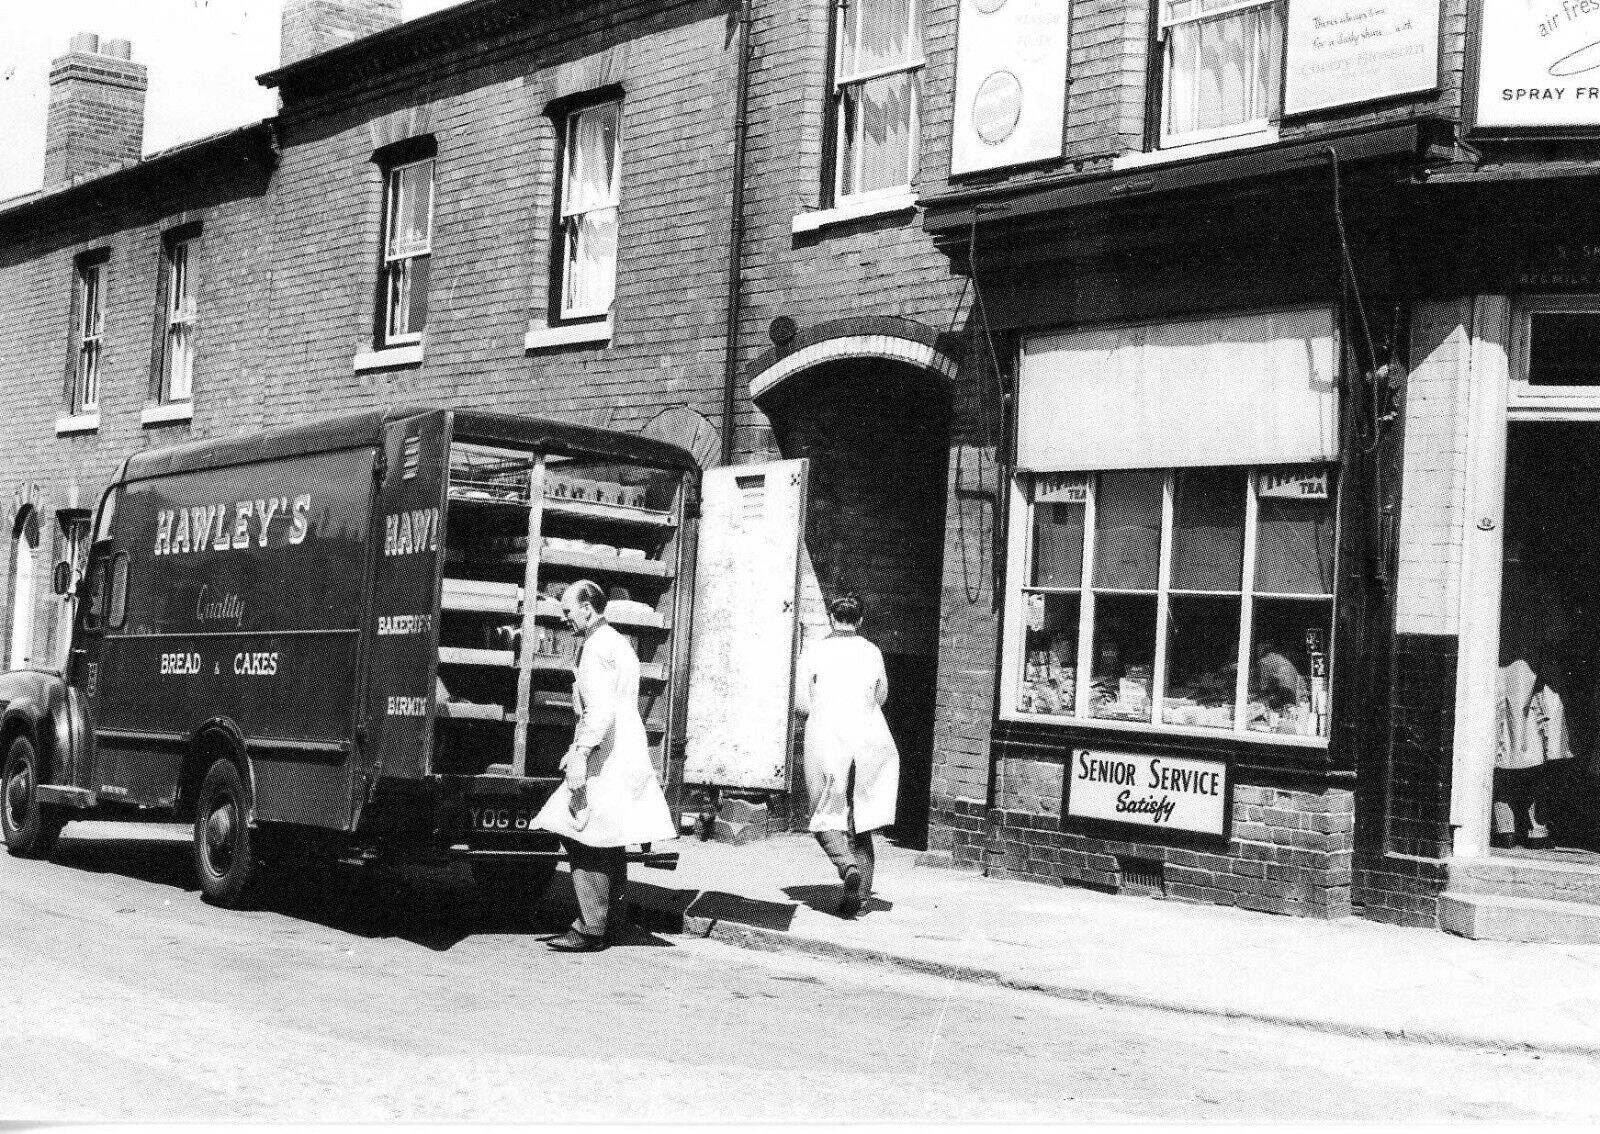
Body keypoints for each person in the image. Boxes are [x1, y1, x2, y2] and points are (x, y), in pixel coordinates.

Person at [534, 579, 677, 951]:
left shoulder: (597, 648)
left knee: (583, 834)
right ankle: (611, 919)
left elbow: (599, 709)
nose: (564, 618)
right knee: (608, 835)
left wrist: (581, 750)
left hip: (604, 748)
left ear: (587, 607)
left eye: (567, 610)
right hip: (624, 743)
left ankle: (590, 927)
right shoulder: (619, 643)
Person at [796, 592, 899, 918]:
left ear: (830, 616)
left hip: (827, 736)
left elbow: (801, 702)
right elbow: (881, 694)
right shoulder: (871, 651)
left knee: (823, 811)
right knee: (862, 818)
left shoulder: (815, 650)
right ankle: (861, 900)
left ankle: (846, 866)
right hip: (868, 738)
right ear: (861, 620)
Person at [1494, 546, 1575, 850]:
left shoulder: (1494, 584)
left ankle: (1505, 826)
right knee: (1538, 756)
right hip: (1535, 679)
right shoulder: (1542, 587)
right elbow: (1559, 635)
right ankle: (1535, 827)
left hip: (1499, 679)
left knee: (1501, 751)